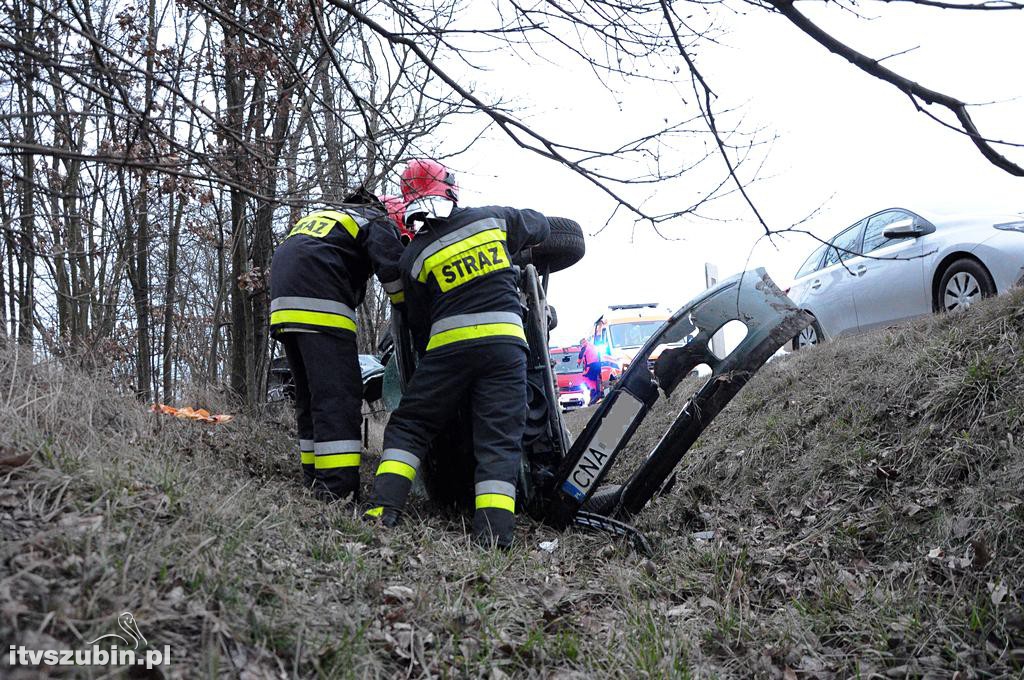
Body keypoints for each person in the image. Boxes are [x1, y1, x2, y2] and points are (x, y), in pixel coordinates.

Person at [363, 159, 550, 547]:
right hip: (506, 348)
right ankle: (494, 538)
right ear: (450, 189)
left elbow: (417, 322)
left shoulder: (414, 256)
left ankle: (383, 513)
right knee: (498, 442)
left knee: (411, 426)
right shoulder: (493, 220)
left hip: (449, 351)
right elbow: (541, 225)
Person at [270, 191, 405, 502]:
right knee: (339, 398)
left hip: (283, 306)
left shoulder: (327, 218)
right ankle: (337, 490)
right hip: (321, 303)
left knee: (310, 396)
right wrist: (405, 305)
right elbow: (393, 270)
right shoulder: (376, 220)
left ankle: (314, 477)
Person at [577, 337, 602, 404]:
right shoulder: (593, 346)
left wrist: (578, 363)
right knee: (595, 379)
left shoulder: (585, 348)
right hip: (598, 365)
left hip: (590, 366)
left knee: (584, 377)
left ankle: (594, 392)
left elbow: (580, 357)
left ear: (582, 343)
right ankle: (597, 392)